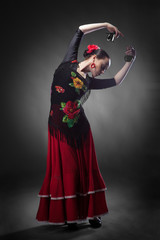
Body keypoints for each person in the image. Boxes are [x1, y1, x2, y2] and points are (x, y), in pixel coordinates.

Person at [36, 22, 136, 230]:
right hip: (58, 130)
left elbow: (116, 81)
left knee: (85, 172)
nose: (103, 72)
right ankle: (70, 215)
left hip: (80, 131)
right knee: (67, 171)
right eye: (103, 67)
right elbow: (80, 29)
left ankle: (92, 214)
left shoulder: (90, 82)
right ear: (93, 60)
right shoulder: (68, 62)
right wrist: (107, 24)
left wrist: (129, 61)